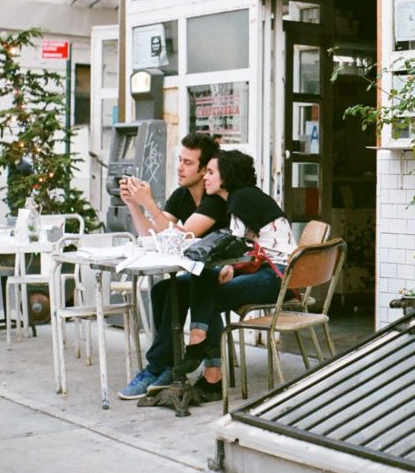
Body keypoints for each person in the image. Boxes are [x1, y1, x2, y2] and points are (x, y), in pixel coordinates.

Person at [173, 149, 297, 394]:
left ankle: (207, 366)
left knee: (207, 293)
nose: (205, 177)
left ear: (226, 176)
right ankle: (204, 358)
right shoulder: (245, 196)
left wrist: (225, 264)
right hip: (269, 270)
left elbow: (235, 245)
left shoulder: (241, 198)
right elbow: (241, 249)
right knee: (203, 277)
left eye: (210, 172)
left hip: (277, 276)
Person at [117, 132, 228, 400]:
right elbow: (152, 236)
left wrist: (149, 203)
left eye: (188, 163)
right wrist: (134, 205)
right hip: (198, 274)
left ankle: (159, 366)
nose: (180, 167)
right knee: (162, 290)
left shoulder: (215, 200)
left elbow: (182, 239)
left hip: (220, 275)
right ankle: (168, 363)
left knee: (174, 290)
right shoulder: (182, 195)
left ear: (204, 170)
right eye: (180, 159)